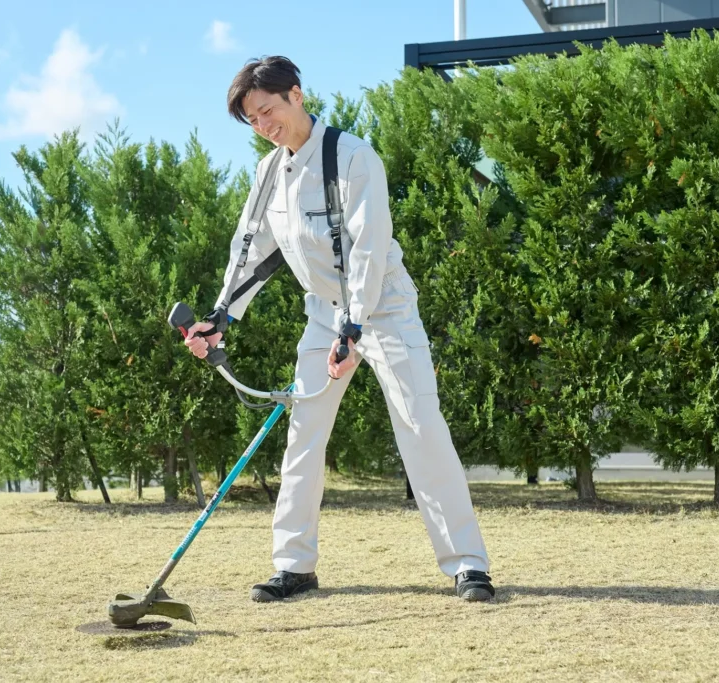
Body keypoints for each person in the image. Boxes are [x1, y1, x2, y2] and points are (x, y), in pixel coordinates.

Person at [183, 56, 494, 603]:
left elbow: (368, 248)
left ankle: (468, 565)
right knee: (304, 434)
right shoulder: (268, 173)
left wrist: (352, 329)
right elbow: (251, 249)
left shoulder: (353, 157)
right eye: (253, 120)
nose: (263, 125)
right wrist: (221, 315)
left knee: (421, 427)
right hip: (323, 313)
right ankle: (294, 566)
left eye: (268, 110)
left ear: (296, 95)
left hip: (385, 308)